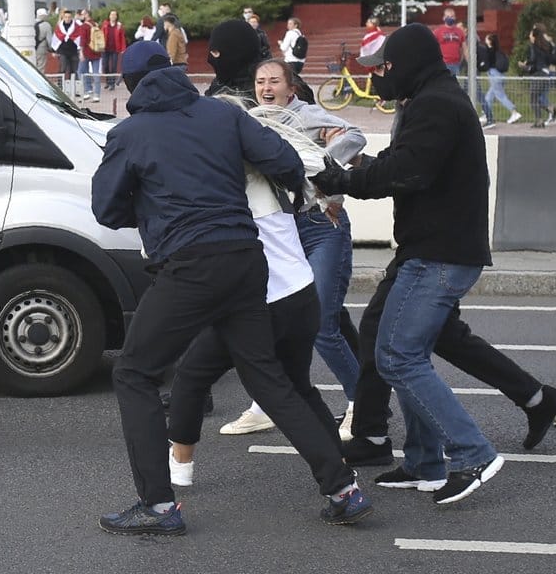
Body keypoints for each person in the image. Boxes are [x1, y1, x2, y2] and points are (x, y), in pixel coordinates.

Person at [91, 40, 370, 535]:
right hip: (247, 259)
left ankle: (158, 505)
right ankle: (343, 489)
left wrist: (154, 204)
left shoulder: (130, 133)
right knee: (269, 378)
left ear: (131, 84)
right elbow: (284, 160)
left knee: (133, 372)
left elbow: (107, 210)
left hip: (191, 264)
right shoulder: (223, 115)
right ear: (177, 72)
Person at [311, 23, 504, 506]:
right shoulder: (429, 98)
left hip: (440, 252)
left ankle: (473, 453)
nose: (383, 77)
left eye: (389, 67)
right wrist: (357, 166)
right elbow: (404, 162)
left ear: (411, 63)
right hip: (426, 248)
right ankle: (425, 463)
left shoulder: (436, 104)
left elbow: (408, 171)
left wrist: (339, 179)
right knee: (384, 340)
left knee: (399, 356)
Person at [165, 89, 369, 526]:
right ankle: (344, 476)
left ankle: (340, 486)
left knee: (207, 380)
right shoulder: (269, 170)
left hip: (260, 302)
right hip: (300, 293)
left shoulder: (221, 175)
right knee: (297, 387)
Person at [217, 59, 365, 440]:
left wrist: (319, 164)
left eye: (274, 80)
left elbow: (356, 134)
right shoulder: (253, 119)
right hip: (282, 231)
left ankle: (361, 404)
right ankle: (265, 404)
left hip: (321, 227)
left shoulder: (305, 116)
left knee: (322, 324)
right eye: (260, 80)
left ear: (291, 87)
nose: (266, 86)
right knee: (271, 321)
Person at [480, 33, 521, 126]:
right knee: (488, 97)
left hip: (494, 76)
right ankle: (487, 114)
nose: (485, 40)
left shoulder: (490, 51)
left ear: (490, 41)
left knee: (500, 96)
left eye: (486, 39)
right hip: (501, 75)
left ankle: (514, 112)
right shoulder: (499, 51)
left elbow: (486, 64)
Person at [520, 25, 556, 128]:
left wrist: (525, 66)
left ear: (534, 36)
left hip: (538, 75)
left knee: (533, 99)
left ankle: (541, 119)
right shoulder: (546, 46)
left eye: (531, 35)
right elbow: (550, 59)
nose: (529, 36)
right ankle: (548, 110)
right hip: (546, 73)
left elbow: (534, 61)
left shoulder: (534, 47)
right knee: (536, 98)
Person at [73, 10, 103, 102]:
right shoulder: (96, 24)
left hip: (86, 52)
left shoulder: (84, 26)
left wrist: (81, 52)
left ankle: (87, 90)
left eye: (82, 14)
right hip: (97, 51)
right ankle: (97, 94)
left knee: (81, 71)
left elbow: (83, 40)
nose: (81, 16)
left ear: (86, 15)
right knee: (95, 73)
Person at [50, 10, 80, 97]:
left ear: (72, 17)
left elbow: (79, 38)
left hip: (74, 51)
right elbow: (55, 39)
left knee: (74, 71)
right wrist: (54, 51)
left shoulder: (76, 27)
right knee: (62, 69)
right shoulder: (59, 27)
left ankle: (74, 89)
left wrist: (80, 49)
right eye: (66, 17)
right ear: (63, 17)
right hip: (62, 51)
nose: (67, 19)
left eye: (69, 17)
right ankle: (60, 87)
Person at [432, 7, 465, 77]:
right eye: (447, 16)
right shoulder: (437, 31)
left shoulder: (460, 31)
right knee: (443, 85)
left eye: (452, 16)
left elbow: (464, 48)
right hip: (443, 64)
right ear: (444, 18)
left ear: (455, 17)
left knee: (455, 85)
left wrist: (463, 60)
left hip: (456, 64)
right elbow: (431, 47)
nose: (450, 18)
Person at [101, 10, 128, 90]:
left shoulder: (119, 26)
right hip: (105, 48)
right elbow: (101, 35)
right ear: (109, 16)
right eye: (111, 15)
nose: (113, 16)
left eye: (114, 15)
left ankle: (112, 83)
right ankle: (107, 81)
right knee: (105, 65)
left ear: (117, 17)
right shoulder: (105, 25)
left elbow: (122, 38)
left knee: (113, 66)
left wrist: (123, 48)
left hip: (115, 48)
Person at [33, 7, 53, 72]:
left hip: (31, 47)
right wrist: (51, 49)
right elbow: (49, 40)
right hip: (41, 48)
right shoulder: (47, 25)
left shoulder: (31, 23)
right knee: (41, 66)